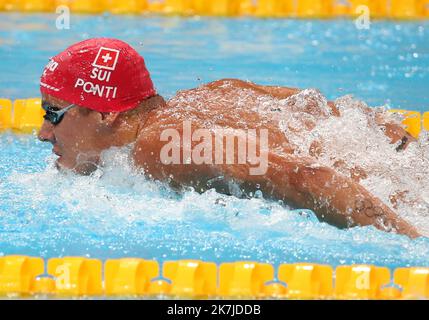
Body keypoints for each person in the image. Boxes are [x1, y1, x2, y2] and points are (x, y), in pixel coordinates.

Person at [38, 38, 420, 238]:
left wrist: (410, 241)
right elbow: (346, 116)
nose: (43, 133)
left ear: (106, 111)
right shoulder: (216, 92)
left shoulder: (161, 146)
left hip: (398, 207)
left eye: (52, 113)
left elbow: (308, 179)